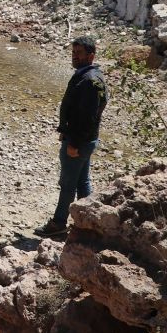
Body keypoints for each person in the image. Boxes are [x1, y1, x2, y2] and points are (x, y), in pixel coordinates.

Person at [34, 36, 108, 237]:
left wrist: (73, 142)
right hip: (85, 140)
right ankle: (89, 221)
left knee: (67, 184)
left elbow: (86, 117)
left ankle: (59, 224)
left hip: (80, 142)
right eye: (73, 52)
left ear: (91, 56)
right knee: (82, 181)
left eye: (79, 53)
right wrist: (66, 133)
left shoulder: (88, 81)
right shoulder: (92, 76)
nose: (74, 57)